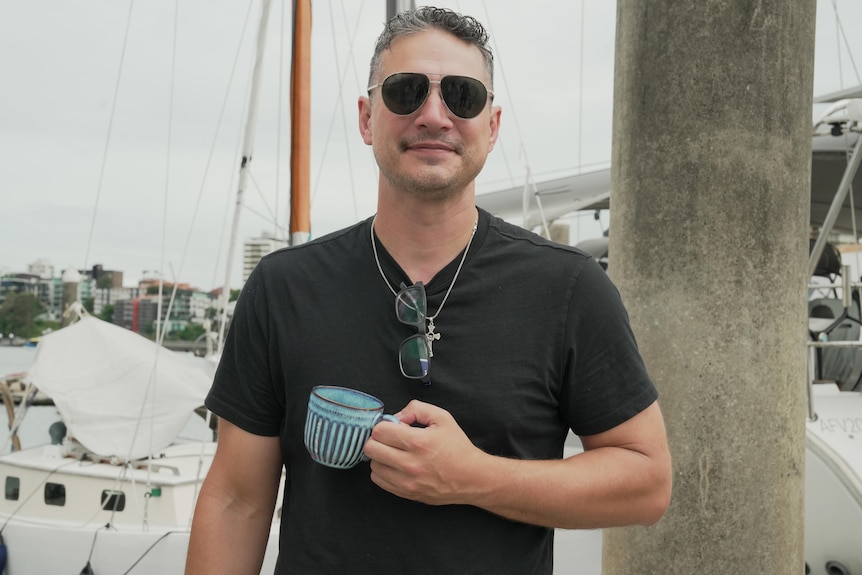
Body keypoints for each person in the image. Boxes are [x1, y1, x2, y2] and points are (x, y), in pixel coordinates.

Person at [186, 6, 672, 575]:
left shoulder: (568, 288)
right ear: (368, 119)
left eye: (462, 96)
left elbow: (646, 482)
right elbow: (236, 500)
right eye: (407, 91)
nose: (434, 115)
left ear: (491, 126)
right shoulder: (283, 288)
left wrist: (472, 478)